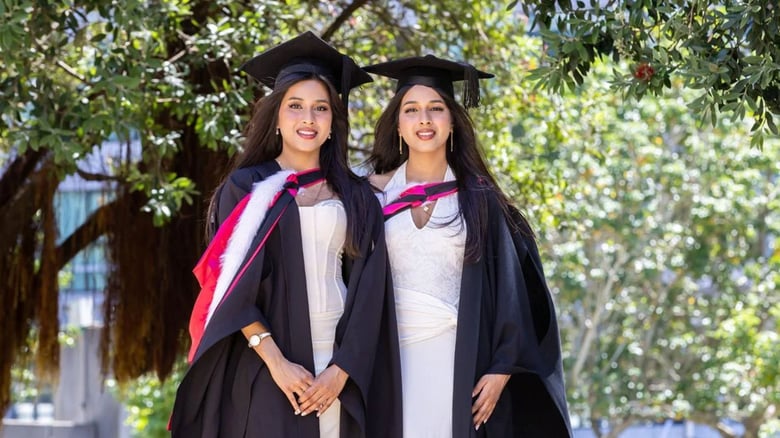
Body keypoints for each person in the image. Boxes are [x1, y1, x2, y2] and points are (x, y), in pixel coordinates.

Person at [170, 31, 402, 438]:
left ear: (333, 123)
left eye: (320, 108)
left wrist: (342, 370)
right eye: (295, 106)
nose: (308, 119)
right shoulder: (248, 188)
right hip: (266, 358)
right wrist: (277, 363)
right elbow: (232, 288)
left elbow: (370, 290)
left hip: (340, 359)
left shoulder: (356, 195)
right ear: (276, 117)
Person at [364, 55, 572, 437]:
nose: (424, 119)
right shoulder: (371, 198)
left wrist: (501, 368)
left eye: (436, 108)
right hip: (387, 358)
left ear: (452, 122)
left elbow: (513, 289)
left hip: (456, 358)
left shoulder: (478, 199)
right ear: (397, 124)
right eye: (411, 110)